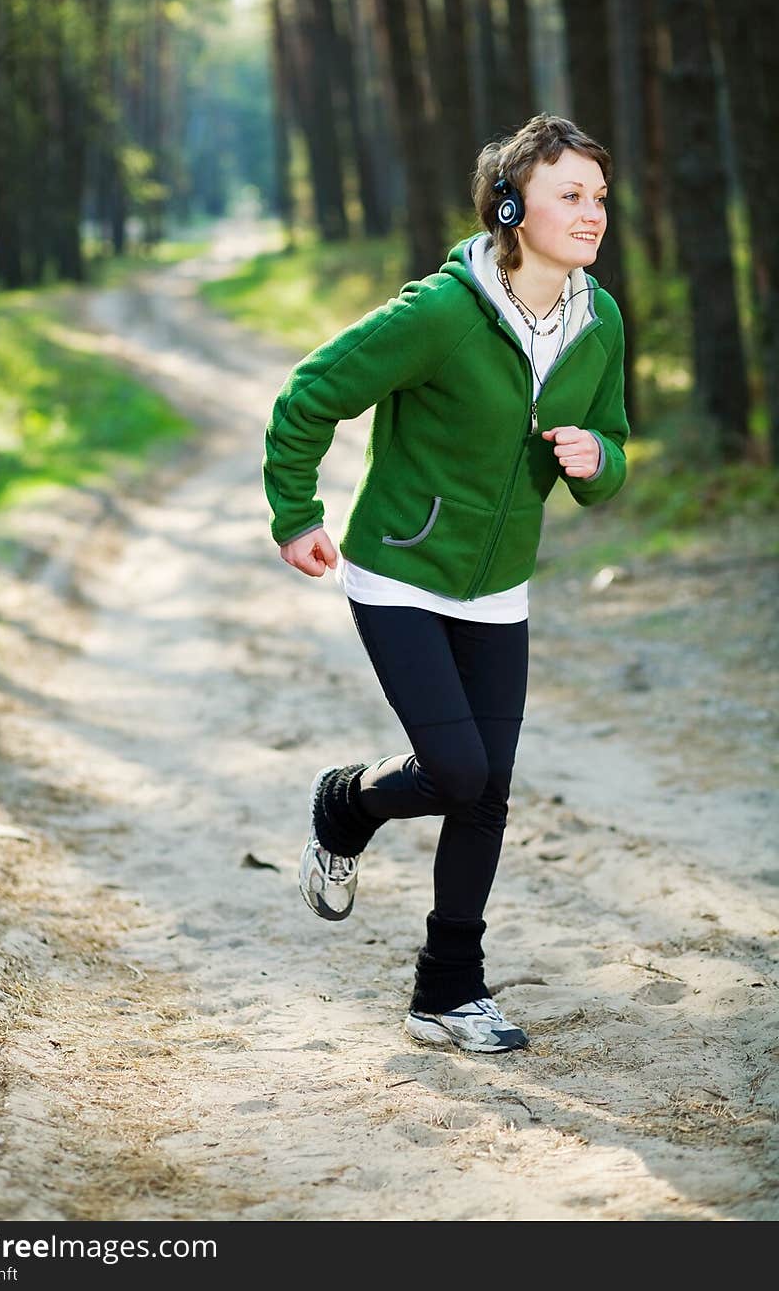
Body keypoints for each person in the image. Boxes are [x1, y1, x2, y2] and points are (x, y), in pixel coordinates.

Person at [262, 112, 629, 1054]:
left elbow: (613, 448)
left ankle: (447, 991)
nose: (593, 215)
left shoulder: (600, 322)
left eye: (599, 197)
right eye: (569, 196)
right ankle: (345, 804)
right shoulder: (440, 314)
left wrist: (601, 460)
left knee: (487, 790)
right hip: (399, 572)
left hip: (500, 588)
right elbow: (311, 394)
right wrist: (297, 515)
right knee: (459, 770)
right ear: (511, 206)